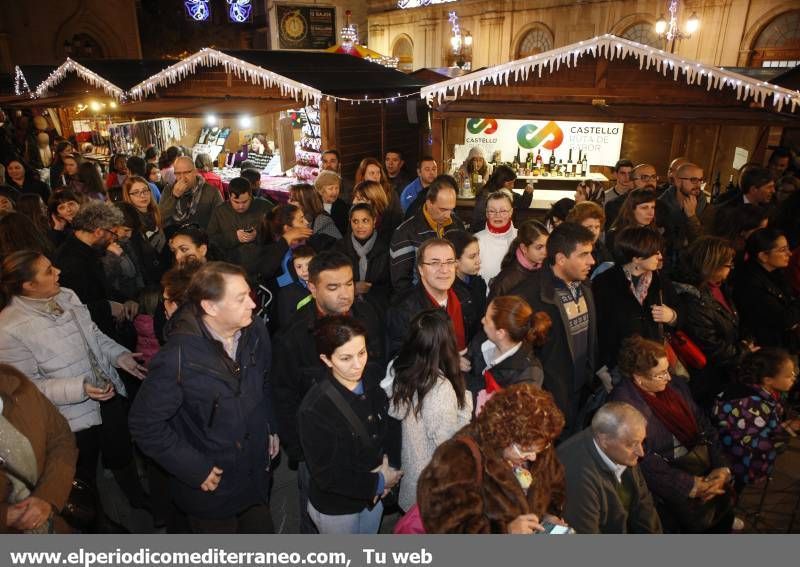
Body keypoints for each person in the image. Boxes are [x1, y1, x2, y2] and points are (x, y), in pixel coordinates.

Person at [129, 262, 279, 533]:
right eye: (241, 299)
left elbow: (264, 382)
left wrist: (270, 427)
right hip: (213, 489)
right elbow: (144, 424)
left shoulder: (255, 330)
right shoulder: (177, 358)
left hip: (255, 476)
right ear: (210, 306)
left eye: (250, 295)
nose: (253, 305)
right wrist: (193, 467)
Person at [0, 251, 148, 527]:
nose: (58, 271)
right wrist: (79, 388)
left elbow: (94, 335)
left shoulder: (67, 295)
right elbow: (25, 390)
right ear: (27, 285)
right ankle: (98, 525)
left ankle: (138, 501)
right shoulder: (8, 329)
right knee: (82, 477)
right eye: (47, 271)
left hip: (107, 393)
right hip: (71, 418)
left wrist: (118, 356)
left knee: (121, 452)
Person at [271, 251, 385, 533]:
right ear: (312, 287)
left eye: (348, 283)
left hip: (366, 441)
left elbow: (379, 369)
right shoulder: (295, 335)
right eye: (333, 287)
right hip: (320, 452)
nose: (345, 294)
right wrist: (300, 450)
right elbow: (283, 395)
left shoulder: (367, 315)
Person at [609, 336, 735, 533]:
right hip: (667, 496)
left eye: (667, 370)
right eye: (660, 374)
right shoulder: (625, 408)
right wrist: (690, 485)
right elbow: (643, 461)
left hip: (702, 468)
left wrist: (721, 468)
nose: (668, 377)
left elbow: (704, 425)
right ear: (638, 378)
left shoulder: (675, 386)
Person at [417, 383, 566, 534]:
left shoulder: (536, 439)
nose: (533, 457)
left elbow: (553, 485)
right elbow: (448, 528)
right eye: (525, 451)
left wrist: (549, 515)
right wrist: (506, 532)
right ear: (504, 436)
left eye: (540, 449)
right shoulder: (458, 459)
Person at [299, 316, 401, 534]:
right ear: (326, 360)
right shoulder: (315, 408)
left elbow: (389, 424)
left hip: (373, 500)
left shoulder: (373, 374)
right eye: (346, 358)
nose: (358, 365)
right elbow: (328, 476)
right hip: (338, 509)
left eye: (362, 353)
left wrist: (389, 465)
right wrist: (379, 482)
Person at [509, 222, 597, 434]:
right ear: (560, 259)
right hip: (549, 401)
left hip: (582, 395)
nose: (592, 261)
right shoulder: (528, 296)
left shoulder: (584, 286)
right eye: (583, 254)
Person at [381, 309, 472, 512]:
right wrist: (466, 405)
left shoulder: (396, 366)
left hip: (408, 472)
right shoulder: (439, 388)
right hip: (430, 484)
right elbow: (448, 444)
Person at [557, 402, 663, 534]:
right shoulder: (577, 475)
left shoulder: (620, 449)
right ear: (604, 440)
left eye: (641, 442)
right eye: (632, 444)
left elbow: (644, 506)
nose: (641, 452)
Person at [0, 363, 78, 534]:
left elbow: (61, 437)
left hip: (57, 523)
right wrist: (6, 516)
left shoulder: (15, 384)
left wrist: (48, 496)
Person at [673, 236, 750, 407]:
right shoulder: (692, 299)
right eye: (728, 265)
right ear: (712, 266)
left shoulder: (717, 287)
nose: (731, 269)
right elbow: (710, 346)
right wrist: (743, 350)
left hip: (726, 369)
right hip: (708, 381)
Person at [592, 227, 680, 372]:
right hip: (620, 366)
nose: (660, 257)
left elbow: (681, 311)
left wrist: (672, 316)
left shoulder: (660, 280)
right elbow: (598, 331)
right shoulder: (605, 283)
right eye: (654, 253)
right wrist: (602, 368)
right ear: (637, 258)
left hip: (654, 363)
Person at [713, 348, 799, 492]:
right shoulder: (750, 404)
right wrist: (788, 429)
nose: (794, 377)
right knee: (729, 496)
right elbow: (754, 444)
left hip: (739, 461)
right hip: (736, 465)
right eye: (788, 375)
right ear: (768, 380)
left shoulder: (762, 394)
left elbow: (762, 429)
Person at [52, 202, 139, 338]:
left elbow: (103, 287)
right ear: (99, 232)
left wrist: (126, 300)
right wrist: (108, 307)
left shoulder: (90, 250)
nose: (114, 239)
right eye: (113, 233)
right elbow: (74, 308)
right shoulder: (69, 261)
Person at [387, 238, 480, 360]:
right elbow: (400, 360)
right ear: (421, 269)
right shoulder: (402, 310)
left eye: (449, 262)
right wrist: (448, 362)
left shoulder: (465, 296)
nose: (444, 270)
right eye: (435, 263)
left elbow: (474, 338)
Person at [467, 295, 550, 409]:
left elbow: (516, 419)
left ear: (500, 333)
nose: (482, 320)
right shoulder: (481, 340)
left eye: (486, 319)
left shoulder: (529, 375)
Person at [390, 175, 464, 294]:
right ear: (429, 203)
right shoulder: (405, 232)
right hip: (420, 304)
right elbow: (401, 282)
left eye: (451, 209)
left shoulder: (456, 224)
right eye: (443, 209)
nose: (448, 215)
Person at [733, 228, 800, 351]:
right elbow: (785, 320)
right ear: (763, 256)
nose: (789, 253)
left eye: (788, 248)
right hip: (768, 347)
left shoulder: (775, 271)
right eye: (782, 250)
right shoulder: (750, 283)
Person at [207, 177, 272, 277]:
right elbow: (210, 240)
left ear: (251, 195)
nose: (241, 206)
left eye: (245, 202)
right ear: (229, 197)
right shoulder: (220, 211)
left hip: (262, 268)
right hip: (231, 269)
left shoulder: (265, 207)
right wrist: (234, 237)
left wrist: (258, 234)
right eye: (236, 202)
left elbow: (278, 235)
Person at [333, 204, 391, 311]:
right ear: (350, 222)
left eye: (365, 221)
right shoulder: (339, 248)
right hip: (345, 307)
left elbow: (390, 286)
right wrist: (353, 288)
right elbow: (332, 281)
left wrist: (370, 290)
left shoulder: (386, 248)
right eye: (355, 221)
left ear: (374, 222)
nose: (360, 226)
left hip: (378, 308)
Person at [658, 162, 714, 273]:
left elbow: (703, 245)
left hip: (692, 268)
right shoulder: (660, 205)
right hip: (663, 266)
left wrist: (692, 216)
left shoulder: (708, 209)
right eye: (693, 180)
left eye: (700, 180)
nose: (698, 184)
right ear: (678, 182)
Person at [488, 220, 548, 300]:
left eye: (547, 246)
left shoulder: (547, 268)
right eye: (539, 247)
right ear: (524, 248)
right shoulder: (506, 280)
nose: (545, 252)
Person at [159, 156, 223, 229]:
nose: (182, 177)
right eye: (178, 173)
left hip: (201, 237)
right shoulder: (168, 190)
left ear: (195, 172)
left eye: (186, 172)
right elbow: (160, 218)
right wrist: (174, 197)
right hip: (175, 235)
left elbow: (221, 221)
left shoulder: (211, 192)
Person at [471, 165, 533, 233]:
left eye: (513, 183)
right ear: (500, 182)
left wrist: (527, 193)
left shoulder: (505, 192)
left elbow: (523, 204)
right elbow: (477, 224)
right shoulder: (485, 196)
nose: (512, 186)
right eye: (510, 184)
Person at [474, 191, 517, 283]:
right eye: (492, 211)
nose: (497, 215)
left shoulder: (521, 238)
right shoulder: (476, 241)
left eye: (503, 211)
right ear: (486, 213)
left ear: (511, 212)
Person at [448, 230, 486, 330]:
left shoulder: (479, 283)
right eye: (472, 257)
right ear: (455, 261)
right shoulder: (447, 292)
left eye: (478, 254)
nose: (479, 261)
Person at [565, 201, 612, 276]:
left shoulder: (600, 248)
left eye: (597, 227)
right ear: (576, 227)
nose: (594, 232)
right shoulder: (567, 250)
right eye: (589, 227)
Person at [605, 188, 658, 255]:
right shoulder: (615, 235)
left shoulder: (653, 231)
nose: (651, 213)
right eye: (644, 208)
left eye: (653, 207)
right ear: (631, 210)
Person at [274, 245, 315, 331]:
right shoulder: (287, 293)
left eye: (309, 265)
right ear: (292, 268)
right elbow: (286, 324)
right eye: (299, 266)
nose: (305, 270)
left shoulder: (322, 284)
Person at [122, 175, 166, 255]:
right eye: (136, 192)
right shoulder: (130, 223)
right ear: (128, 196)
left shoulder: (156, 213)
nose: (142, 195)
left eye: (145, 190)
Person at [288, 183, 342, 248]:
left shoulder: (322, 221)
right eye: (289, 198)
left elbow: (339, 246)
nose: (288, 202)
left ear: (304, 202)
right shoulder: (297, 217)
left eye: (292, 200)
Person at [313, 170, 348, 237]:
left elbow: (343, 230)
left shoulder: (342, 206)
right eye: (331, 188)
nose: (335, 192)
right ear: (320, 191)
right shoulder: (315, 204)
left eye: (337, 188)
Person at [603, 159, 635, 230]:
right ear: (615, 174)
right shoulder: (605, 197)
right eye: (623, 173)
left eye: (630, 173)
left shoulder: (636, 197)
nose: (627, 177)